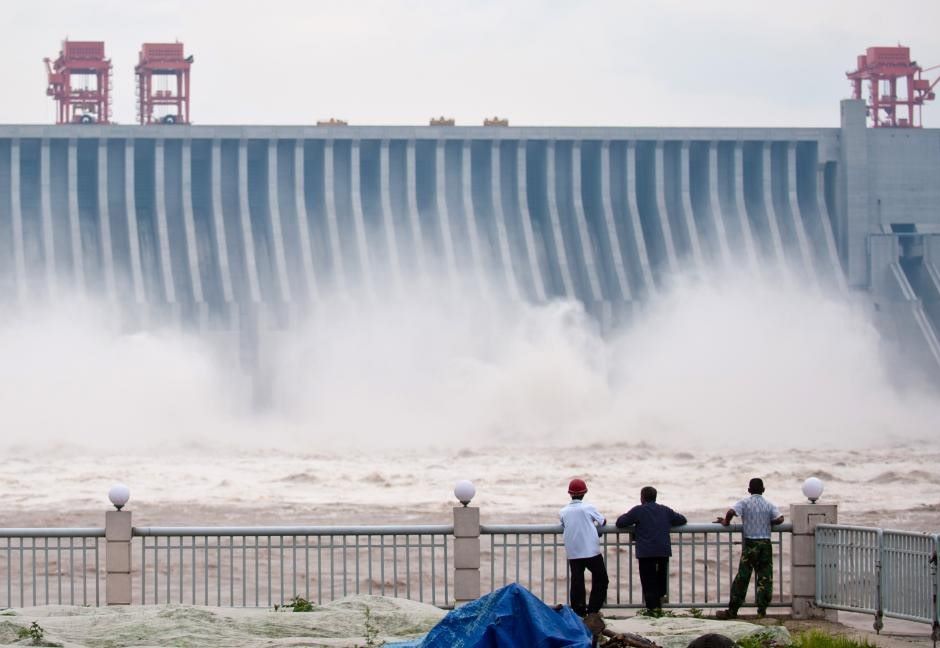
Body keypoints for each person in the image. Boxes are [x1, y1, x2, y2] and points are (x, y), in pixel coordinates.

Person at [715, 477, 784, 619]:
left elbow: (731, 512)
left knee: (743, 577)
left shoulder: (744, 503)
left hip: (750, 544)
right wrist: (769, 522)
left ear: (749, 490)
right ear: (763, 490)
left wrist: (726, 522)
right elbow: (781, 519)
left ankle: (733, 610)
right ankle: (762, 611)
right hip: (765, 544)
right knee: (765, 578)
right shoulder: (768, 504)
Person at [615, 486, 687, 612]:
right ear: (655, 497)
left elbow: (620, 522)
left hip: (646, 553)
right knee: (661, 582)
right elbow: (682, 520)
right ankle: (659, 608)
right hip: (662, 551)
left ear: (642, 498)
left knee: (648, 584)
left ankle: (652, 611)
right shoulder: (665, 510)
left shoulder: (638, 510)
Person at [560, 478, 609, 618]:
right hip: (591, 550)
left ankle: (579, 612)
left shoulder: (563, 511)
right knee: (601, 579)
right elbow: (603, 521)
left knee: (577, 582)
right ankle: (593, 610)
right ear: (584, 493)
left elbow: (564, 524)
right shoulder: (588, 508)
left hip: (573, 552)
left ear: (570, 494)